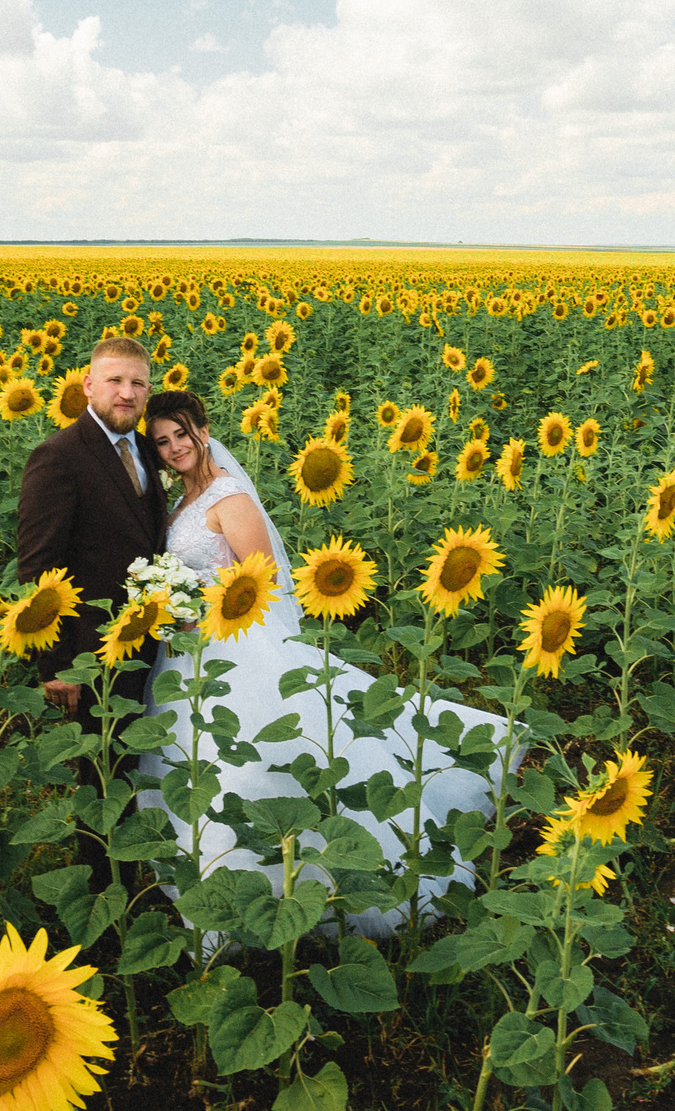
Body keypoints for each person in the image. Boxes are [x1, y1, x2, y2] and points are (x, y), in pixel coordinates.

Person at [130, 389, 514, 938]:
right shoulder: (182, 503)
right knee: (195, 761)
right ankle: (220, 892)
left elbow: (262, 582)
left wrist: (200, 609)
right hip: (188, 654)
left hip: (234, 647)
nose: (173, 448)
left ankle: (297, 887)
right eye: (162, 441)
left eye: (181, 435)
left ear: (204, 431)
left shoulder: (229, 497)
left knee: (255, 760)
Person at [14, 337, 167, 896]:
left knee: (134, 760)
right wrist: (54, 664)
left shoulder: (146, 449)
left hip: (146, 639)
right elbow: (38, 568)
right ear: (87, 386)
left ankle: (134, 873)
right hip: (88, 649)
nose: (127, 393)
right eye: (115, 381)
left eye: (138, 383)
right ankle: (106, 892)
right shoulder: (59, 455)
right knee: (102, 775)